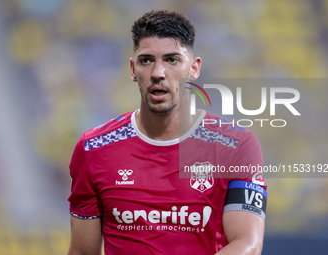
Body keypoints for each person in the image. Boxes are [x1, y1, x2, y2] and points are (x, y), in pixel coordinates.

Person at [67, 10, 267, 255]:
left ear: (194, 69)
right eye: (146, 60)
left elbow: (248, 244)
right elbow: (82, 252)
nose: (158, 73)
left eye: (172, 60)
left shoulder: (237, 145)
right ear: (132, 69)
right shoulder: (93, 148)